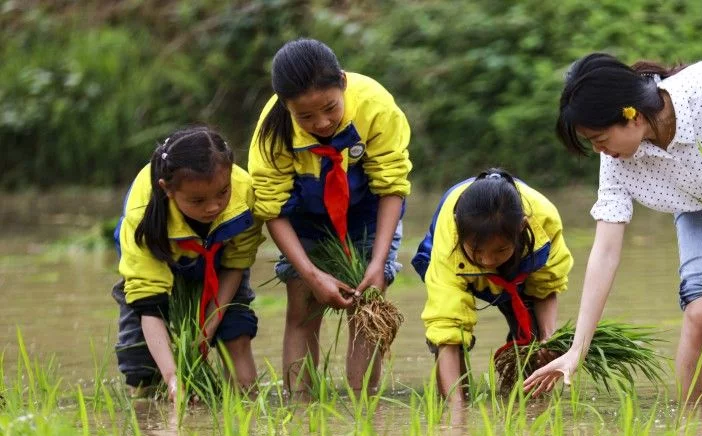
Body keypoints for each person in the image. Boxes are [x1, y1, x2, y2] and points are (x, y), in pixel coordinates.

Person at [525, 53, 702, 402]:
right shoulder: (617, 163)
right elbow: (605, 252)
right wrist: (578, 350)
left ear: (630, 114)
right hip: (700, 205)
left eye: (598, 137)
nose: (598, 149)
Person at [248, 38, 412, 397]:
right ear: (284, 105)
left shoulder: (375, 105)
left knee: (366, 308)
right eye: (305, 116)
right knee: (303, 308)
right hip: (304, 217)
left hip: (368, 211)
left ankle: (363, 409)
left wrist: (379, 261)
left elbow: (392, 186)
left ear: (342, 81)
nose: (321, 122)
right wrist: (310, 273)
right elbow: (271, 208)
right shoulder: (272, 132)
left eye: (329, 108)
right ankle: (301, 408)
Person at [113, 126, 263, 401]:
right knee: (140, 365)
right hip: (162, 262)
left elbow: (236, 264)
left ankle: (248, 416)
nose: (213, 207)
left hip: (220, 266)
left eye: (222, 193)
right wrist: (173, 378)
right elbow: (149, 305)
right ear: (167, 190)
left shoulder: (244, 193)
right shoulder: (142, 212)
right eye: (197, 200)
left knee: (237, 333)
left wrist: (204, 334)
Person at [412, 169, 573, 404]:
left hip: (519, 269)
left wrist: (548, 339)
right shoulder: (448, 242)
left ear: (521, 227)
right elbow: (447, 327)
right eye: (477, 251)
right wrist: (457, 422)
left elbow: (545, 288)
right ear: (459, 230)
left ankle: (531, 409)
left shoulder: (544, 221)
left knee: (534, 349)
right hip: (458, 265)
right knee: (449, 341)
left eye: (499, 250)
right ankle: (457, 402)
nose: (487, 261)